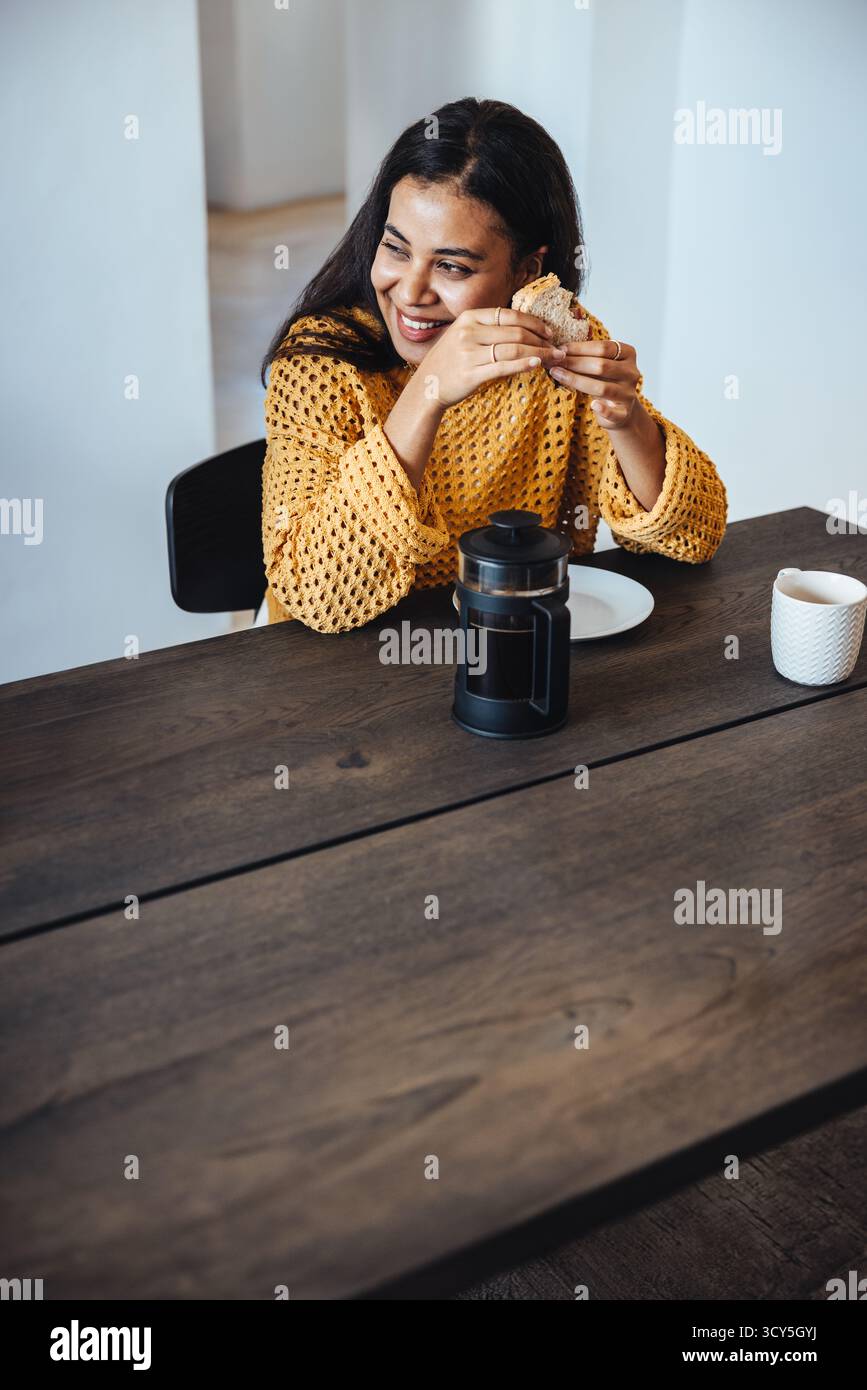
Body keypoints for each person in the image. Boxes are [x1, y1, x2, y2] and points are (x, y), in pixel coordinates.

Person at [260, 98, 727, 633]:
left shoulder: (557, 351)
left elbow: (692, 538)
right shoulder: (318, 363)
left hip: (517, 646)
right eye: (396, 249)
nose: (409, 292)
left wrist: (628, 421)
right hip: (345, 664)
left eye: (451, 266)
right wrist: (428, 392)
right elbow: (315, 595)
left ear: (526, 272)